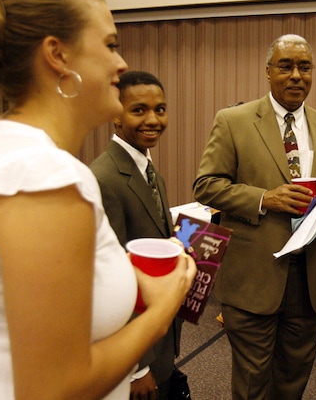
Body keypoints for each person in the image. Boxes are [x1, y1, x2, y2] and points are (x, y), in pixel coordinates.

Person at [0, 0, 196, 399]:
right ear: (58, 55)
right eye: (109, 44)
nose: (121, 65)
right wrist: (161, 311)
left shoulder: (8, 151)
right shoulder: (46, 179)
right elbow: (52, 389)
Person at [193, 33, 316, 400]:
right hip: (253, 276)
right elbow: (206, 185)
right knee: (252, 382)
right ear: (268, 72)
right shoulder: (234, 121)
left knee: (293, 380)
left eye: (305, 67)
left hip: (308, 279)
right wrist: (265, 198)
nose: (296, 75)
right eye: (286, 66)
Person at [90, 71, 183, 399]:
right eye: (139, 110)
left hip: (157, 334)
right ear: (115, 114)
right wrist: (137, 366)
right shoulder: (103, 178)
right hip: (133, 351)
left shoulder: (149, 170)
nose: (153, 120)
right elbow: (107, 276)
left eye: (160, 109)